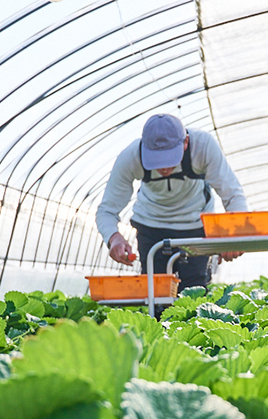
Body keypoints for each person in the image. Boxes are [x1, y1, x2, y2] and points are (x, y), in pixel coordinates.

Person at [96, 113, 247, 289]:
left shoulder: (203, 146)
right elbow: (106, 211)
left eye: (170, 159)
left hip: (196, 226)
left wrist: (235, 236)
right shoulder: (130, 157)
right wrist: (113, 238)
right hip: (150, 226)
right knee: (156, 294)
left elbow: (233, 195)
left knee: (194, 291)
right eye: (156, 161)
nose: (164, 167)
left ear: (186, 142)